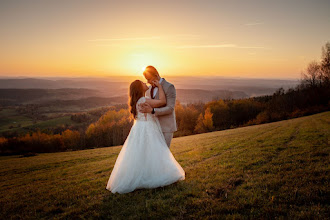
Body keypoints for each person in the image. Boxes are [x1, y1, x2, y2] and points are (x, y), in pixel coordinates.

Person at [106, 79, 185, 194]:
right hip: (148, 128)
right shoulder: (143, 100)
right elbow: (162, 102)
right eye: (143, 83)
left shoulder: (137, 101)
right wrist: (160, 86)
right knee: (154, 152)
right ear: (140, 88)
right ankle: (153, 176)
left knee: (142, 154)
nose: (145, 83)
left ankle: (144, 174)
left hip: (138, 129)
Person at [139, 66, 177, 148]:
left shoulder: (169, 87)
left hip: (166, 127)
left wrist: (153, 111)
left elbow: (170, 108)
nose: (148, 82)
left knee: (164, 154)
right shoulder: (148, 90)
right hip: (153, 127)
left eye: (149, 79)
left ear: (156, 75)